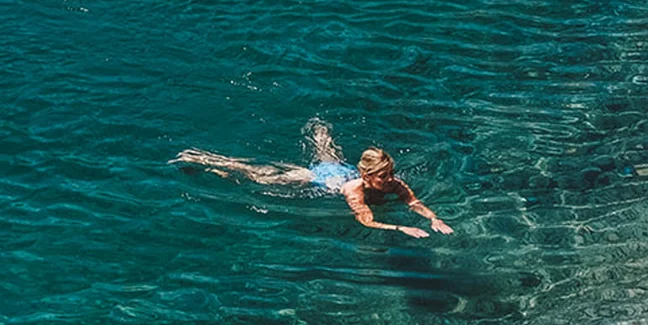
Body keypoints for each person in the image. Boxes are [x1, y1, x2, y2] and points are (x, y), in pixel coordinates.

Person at [172, 121, 453, 239]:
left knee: (326, 151)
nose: (390, 179)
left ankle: (320, 131)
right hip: (316, 179)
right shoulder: (355, 189)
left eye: (390, 173)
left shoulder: (393, 183)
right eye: (383, 175)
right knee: (258, 177)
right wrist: (399, 228)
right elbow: (365, 220)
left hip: (338, 168)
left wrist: (433, 218)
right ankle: (203, 158)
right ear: (367, 175)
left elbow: (413, 201)